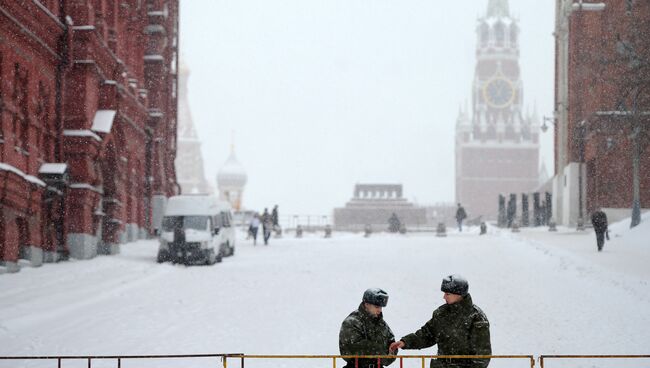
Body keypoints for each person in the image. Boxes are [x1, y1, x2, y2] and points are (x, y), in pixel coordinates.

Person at [389, 275, 491, 368]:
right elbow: (427, 334)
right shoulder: (441, 313)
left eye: (447, 294)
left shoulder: (476, 317)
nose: (444, 297)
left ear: (459, 294)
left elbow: (482, 356)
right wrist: (405, 342)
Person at [339, 288, 397, 368]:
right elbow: (352, 349)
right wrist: (380, 352)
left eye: (381, 307)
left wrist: (389, 354)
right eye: (377, 307)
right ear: (366, 304)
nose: (380, 310)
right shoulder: (352, 322)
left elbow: (392, 346)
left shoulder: (382, 325)